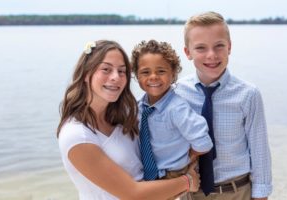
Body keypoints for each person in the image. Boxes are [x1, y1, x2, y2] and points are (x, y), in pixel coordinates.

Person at [57, 40, 200, 200]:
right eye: (106, 69)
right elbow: (133, 194)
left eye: (122, 71)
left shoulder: (125, 116)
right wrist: (187, 181)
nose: (115, 77)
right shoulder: (76, 135)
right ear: (86, 74)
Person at [175, 11, 272, 200]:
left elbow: (259, 151)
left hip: (237, 191)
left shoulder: (248, 94)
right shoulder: (176, 93)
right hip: (191, 193)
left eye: (219, 46)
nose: (211, 55)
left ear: (229, 47)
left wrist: (261, 195)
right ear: (187, 52)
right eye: (201, 48)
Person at [131, 39, 213, 199]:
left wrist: (188, 156)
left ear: (173, 74)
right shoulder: (139, 107)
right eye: (145, 72)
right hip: (148, 177)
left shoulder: (177, 108)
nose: (153, 77)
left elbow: (203, 142)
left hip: (173, 176)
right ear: (137, 76)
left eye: (161, 71)